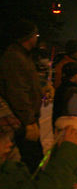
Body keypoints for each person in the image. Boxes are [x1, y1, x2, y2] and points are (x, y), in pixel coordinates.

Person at [0, 19, 44, 173]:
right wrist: (29, 121)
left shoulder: (23, 55)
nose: (37, 38)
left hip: (26, 118)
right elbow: (18, 91)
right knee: (31, 159)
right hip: (22, 121)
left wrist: (43, 89)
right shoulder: (15, 57)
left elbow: (28, 84)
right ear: (28, 37)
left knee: (33, 157)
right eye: (35, 35)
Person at [52, 62, 77, 131]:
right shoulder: (74, 92)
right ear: (74, 76)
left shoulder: (61, 88)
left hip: (59, 128)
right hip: (71, 130)